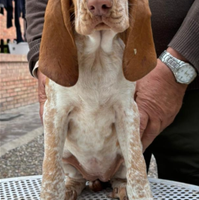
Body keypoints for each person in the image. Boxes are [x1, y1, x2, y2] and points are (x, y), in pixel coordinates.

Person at [26, 0, 199, 185]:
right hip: (79, 67)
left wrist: (182, 59)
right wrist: (46, 53)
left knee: (190, 182)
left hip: (188, 88)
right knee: (105, 185)